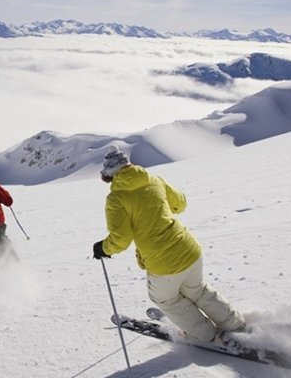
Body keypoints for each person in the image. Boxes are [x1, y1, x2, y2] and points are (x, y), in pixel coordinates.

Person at [92, 146, 245, 342]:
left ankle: (205, 335)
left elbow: (121, 239)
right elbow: (180, 204)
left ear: (110, 174)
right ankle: (235, 324)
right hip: (189, 248)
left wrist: (103, 248)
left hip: (162, 262)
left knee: (166, 299)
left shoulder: (116, 198)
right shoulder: (154, 179)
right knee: (197, 290)